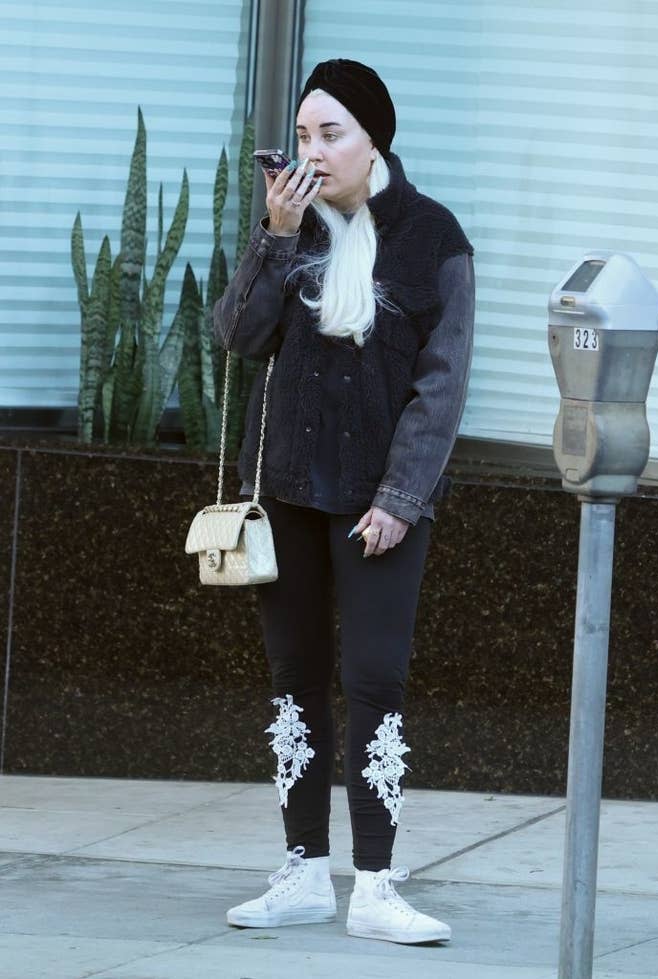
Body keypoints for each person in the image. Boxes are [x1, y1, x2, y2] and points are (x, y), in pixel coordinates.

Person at [213, 58, 475, 945]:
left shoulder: (433, 237)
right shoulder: (291, 226)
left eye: (332, 135)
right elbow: (239, 338)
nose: (313, 152)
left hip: (380, 503)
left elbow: (441, 388)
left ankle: (375, 883)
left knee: (374, 684)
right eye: (302, 136)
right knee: (294, 685)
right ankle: (301, 871)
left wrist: (402, 495)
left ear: (375, 142)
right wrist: (275, 237)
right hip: (286, 489)